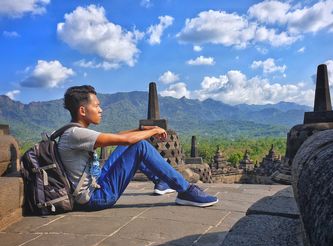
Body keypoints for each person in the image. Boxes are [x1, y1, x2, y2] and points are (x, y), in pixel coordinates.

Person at [57, 85, 218, 210]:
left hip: (97, 183)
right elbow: (126, 140)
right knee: (139, 145)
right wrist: (154, 130)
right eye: (97, 106)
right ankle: (186, 190)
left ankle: (161, 182)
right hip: (95, 197)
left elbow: (118, 136)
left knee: (131, 144)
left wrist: (142, 130)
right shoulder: (76, 134)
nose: (100, 110)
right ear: (83, 110)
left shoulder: (75, 132)